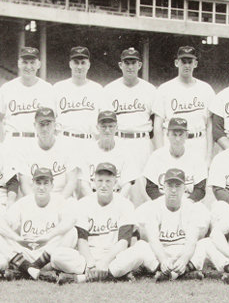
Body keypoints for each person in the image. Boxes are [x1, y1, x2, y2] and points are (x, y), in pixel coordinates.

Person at [57, 163, 146, 283]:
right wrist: (90, 263)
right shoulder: (83, 204)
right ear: (93, 182)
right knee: (57, 256)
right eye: (100, 180)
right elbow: (82, 240)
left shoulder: (125, 204)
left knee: (139, 253)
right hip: (88, 256)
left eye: (108, 181)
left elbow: (123, 242)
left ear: (115, 182)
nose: (103, 185)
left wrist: (105, 261)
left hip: (114, 257)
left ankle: (81, 278)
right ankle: (115, 276)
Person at [0, 167, 83, 282]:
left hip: (48, 254)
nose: (42, 187)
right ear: (32, 184)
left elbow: (70, 221)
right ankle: (31, 269)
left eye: (46, 183)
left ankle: (27, 271)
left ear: (52, 185)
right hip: (26, 252)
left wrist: (48, 236)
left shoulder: (60, 200)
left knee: (71, 232)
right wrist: (17, 239)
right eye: (38, 183)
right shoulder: (24, 202)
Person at [102, 47, 157, 204]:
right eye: (127, 62)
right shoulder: (110, 90)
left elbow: (155, 122)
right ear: (120, 65)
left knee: (141, 187)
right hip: (119, 140)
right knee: (119, 184)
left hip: (142, 142)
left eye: (133, 62)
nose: (130, 66)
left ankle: (140, 227)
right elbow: (105, 123)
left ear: (139, 65)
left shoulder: (150, 90)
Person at [134, 168, 207, 281]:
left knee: (204, 244)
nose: (173, 190)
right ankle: (182, 272)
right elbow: (153, 240)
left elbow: (192, 242)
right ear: (163, 187)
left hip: (182, 250)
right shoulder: (153, 206)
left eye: (177, 186)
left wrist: (183, 260)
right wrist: (163, 260)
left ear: (184, 188)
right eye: (170, 185)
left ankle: (171, 274)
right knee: (141, 246)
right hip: (161, 251)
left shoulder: (192, 208)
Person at [152, 45, 215, 165]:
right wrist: (160, 153)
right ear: (177, 63)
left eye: (190, 62)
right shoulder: (165, 89)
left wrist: (208, 157)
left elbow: (209, 126)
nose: (187, 65)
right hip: (172, 144)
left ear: (195, 63)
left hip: (198, 142)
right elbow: (158, 126)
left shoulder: (206, 89)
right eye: (183, 61)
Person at [0, 47, 55, 152]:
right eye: (25, 62)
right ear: (19, 63)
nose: (28, 66)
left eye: (32, 62)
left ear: (39, 64)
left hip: (38, 143)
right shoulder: (7, 88)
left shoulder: (48, 89)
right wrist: (2, 142)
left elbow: (54, 120)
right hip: (13, 141)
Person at [51, 46, 105, 161]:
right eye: (76, 62)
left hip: (89, 142)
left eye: (83, 62)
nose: (79, 66)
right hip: (64, 141)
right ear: (70, 64)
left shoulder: (98, 89)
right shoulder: (58, 88)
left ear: (88, 65)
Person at [15, 107, 78, 200]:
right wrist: (37, 203)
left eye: (48, 124)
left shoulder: (67, 146)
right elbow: (24, 185)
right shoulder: (25, 149)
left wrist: (58, 202)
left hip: (62, 198)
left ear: (55, 125)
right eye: (41, 124)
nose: (45, 129)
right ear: (34, 125)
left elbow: (72, 182)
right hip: (35, 199)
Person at [144, 117, 208, 203]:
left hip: (188, 202)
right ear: (167, 135)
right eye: (174, 134)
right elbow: (150, 188)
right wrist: (165, 203)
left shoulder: (196, 157)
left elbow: (200, 189)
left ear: (186, 135)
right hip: (163, 203)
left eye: (181, 134)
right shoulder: (156, 156)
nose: (177, 139)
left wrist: (188, 202)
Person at [77, 110, 136, 199]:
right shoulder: (87, 150)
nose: (107, 130)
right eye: (103, 126)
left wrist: (115, 204)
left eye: (111, 126)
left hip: (117, 197)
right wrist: (95, 203)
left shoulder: (125, 151)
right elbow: (84, 184)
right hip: (93, 197)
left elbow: (127, 185)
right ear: (97, 128)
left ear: (116, 127)